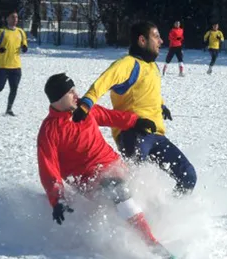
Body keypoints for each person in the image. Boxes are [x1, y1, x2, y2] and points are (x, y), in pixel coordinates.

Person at [37, 73, 175, 259]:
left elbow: (109, 116)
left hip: (114, 164)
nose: (76, 95)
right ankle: (152, 245)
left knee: (144, 187)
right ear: (58, 98)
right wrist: (57, 199)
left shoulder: (82, 110)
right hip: (89, 179)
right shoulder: (49, 130)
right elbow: (48, 167)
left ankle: (158, 227)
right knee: (118, 191)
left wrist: (135, 122)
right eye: (71, 92)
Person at [71, 21, 197, 195]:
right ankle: (112, 207)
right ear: (142, 41)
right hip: (133, 133)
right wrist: (86, 105)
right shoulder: (128, 64)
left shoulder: (152, 66)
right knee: (136, 181)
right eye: (156, 36)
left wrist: (162, 105)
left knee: (188, 176)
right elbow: (103, 82)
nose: (161, 41)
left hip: (157, 135)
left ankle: (168, 216)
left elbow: (147, 90)